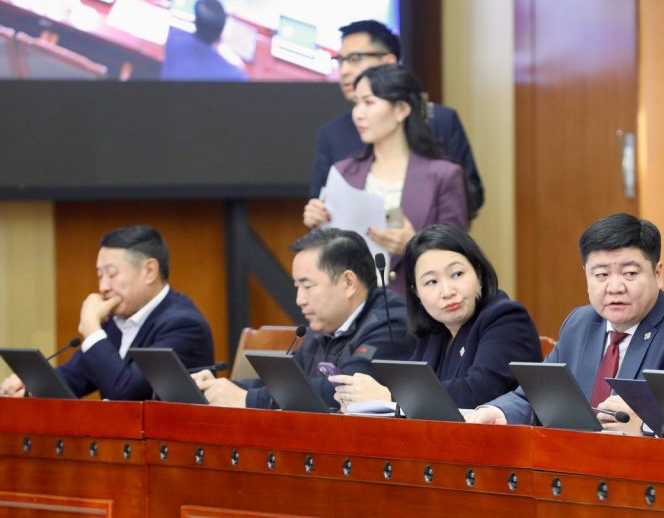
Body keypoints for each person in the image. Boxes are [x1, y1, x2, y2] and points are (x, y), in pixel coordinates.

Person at [467, 213, 664, 429]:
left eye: (630, 273)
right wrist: (498, 411)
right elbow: (538, 397)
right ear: (586, 275)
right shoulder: (579, 323)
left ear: (658, 274)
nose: (615, 287)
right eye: (601, 275)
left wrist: (644, 427)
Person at [193, 228, 413, 409]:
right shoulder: (324, 325)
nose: (299, 300)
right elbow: (288, 385)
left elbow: (343, 390)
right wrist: (221, 388)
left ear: (348, 283)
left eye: (308, 286)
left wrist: (248, 400)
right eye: (297, 286)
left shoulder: (392, 323)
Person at [331, 223, 543, 409]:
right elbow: (413, 388)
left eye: (457, 274)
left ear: (479, 274)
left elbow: (478, 392)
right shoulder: (435, 329)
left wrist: (389, 397)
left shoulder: (506, 319)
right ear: (417, 293)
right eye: (431, 282)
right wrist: (360, 398)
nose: (447, 291)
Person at [302, 64, 468, 296]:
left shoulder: (443, 175)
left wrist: (413, 246)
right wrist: (317, 224)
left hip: (416, 305)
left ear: (401, 110)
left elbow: (458, 258)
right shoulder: (343, 172)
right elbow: (326, 255)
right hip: (352, 304)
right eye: (356, 102)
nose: (358, 113)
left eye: (369, 102)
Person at [0, 225, 213, 400]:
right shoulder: (116, 321)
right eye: (100, 276)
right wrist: (31, 387)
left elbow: (126, 393)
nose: (103, 287)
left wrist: (92, 329)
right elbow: (73, 378)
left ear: (149, 271)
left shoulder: (184, 325)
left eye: (112, 274)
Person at [309, 20, 483, 215]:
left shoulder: (439, 120)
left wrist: (423, 221)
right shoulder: (332, 134)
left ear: (389, 62)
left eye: (355, 59)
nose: (344, 70)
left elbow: (471, 196)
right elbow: (322, 202)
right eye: (340, 60)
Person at [160, 0, 248, 81]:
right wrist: (239, 67)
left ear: (195, 22)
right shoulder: (234, 75)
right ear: (221, 33)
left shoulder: (173, 39)